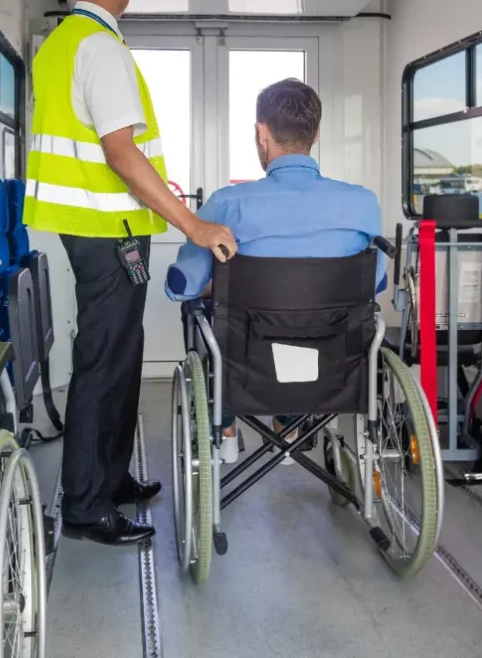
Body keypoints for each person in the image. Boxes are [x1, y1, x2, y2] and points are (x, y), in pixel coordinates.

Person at [24, 0, 237, 546]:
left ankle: (110, 479)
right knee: (103, 363)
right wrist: (193, 224)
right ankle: (86, 506)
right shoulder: (102, 47)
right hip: (109, 230)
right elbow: (120, 152)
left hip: (89, 228)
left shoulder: (58, 47)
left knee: (117, 356)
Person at [165, 78, 388, 464]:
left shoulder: (227, 204)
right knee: (306, 326)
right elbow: (376, 282)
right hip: (333, 368)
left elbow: (181, 285)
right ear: (316, 134)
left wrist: (218, 287)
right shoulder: (362, 203)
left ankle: (226, 429)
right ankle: (288, 425)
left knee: (210, 318)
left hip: (248, 369)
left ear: (261, 133)